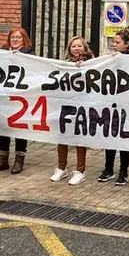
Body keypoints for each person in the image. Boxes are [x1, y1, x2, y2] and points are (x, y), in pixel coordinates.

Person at [50, 35, 95, 185]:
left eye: (79, 46)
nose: (76, 49)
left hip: (83, 104)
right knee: (62, 135)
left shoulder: (93, 63)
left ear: (85, 48)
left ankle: (80, 170)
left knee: (79, 137)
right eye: (73, 46)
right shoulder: (63, 65)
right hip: (66, 104)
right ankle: (61, 168)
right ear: (69, 49)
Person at [0, 27, 34, 174]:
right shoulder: (2, 52)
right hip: (5, 96)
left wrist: (20, 57)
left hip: (21, 97)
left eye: (18, 37)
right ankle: (2, 159)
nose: (15, 39)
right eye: (13, 37)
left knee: (20, 128)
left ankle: (19, 160)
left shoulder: (30, 54)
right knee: (3, 126)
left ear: (24, 39)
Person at [97, 26, 129, 186]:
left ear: (127, 43)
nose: (114, 44)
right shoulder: (113, 58)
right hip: (112, 102)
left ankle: (123, 171)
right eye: (114, 42)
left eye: (117, 42)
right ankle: (108, 169)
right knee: (110, 135)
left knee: (124, 136)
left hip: (127, 103)